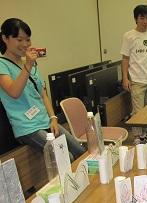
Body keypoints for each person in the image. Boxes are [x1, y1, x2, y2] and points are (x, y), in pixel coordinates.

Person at [0, 18, 85, 162]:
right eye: (19, 39)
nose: (25, 44)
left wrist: (53, 118)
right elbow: (14, 92)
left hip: (45, 121)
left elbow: (43, 94)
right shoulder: (3, 64)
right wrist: (28, 65)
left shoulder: (27, 63)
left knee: (80, 151)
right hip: (27, 128)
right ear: (5, 38)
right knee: (66, 158)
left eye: (27, 39)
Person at [121, 4, 147, 145]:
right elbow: (125, 58)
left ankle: (146, 135)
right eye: (142, 18)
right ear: (136, 19)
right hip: (137, 80)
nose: (145, 21)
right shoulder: (129, 36)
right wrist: (125, 78)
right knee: (138, 111)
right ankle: (138, 137)